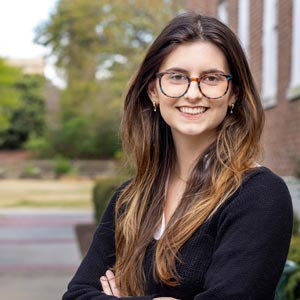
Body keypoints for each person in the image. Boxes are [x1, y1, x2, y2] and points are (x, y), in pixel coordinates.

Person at [63, 11, 293, 300]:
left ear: (233, 93)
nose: (193, 93)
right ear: (153, 91)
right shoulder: (129, 200)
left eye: (211, 78)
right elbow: (76, 295)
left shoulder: (258, 195)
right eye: (176, 77)